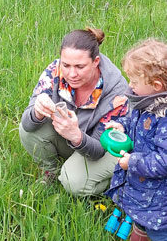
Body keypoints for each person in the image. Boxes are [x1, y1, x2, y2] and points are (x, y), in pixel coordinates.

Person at [19, 27, 128, 195]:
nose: (71, 74)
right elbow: (27, 124)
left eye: (80, 66)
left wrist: (76, 136)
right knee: (30, 130)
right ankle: (52, 173)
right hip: (76, 139)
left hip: (107, 149)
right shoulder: (55, 70)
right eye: (66, 65)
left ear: (96, 62)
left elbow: (99, 150)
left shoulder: (116, 93)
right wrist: (37, 111)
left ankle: (118, 182)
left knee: (73, 183)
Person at [105, 39, 167, 241]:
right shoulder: (145, 102)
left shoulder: (164, 117)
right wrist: (122, 126)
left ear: (156, 85)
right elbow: (136, 122)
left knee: (158, 232)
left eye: (134, 81)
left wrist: (132, 162)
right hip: (145, 195)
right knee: (141, 220)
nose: (130, 86)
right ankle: (139, 231)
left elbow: (164, 161)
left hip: (160, 203)